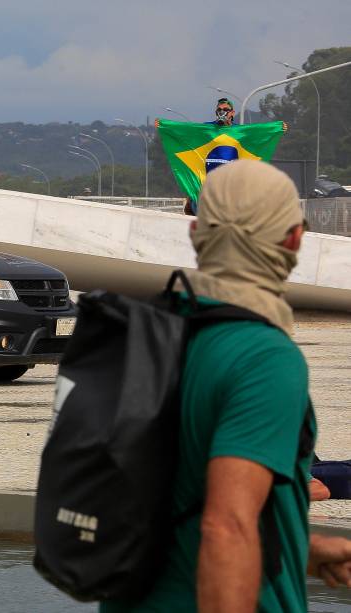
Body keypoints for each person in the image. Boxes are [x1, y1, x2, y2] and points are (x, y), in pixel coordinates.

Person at [101, 160, 351, 612]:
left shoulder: (142, 339)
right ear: (294, 239)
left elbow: (172, 502)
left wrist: (300, 549)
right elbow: (226, 527)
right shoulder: (263, 357)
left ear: (196, 232)